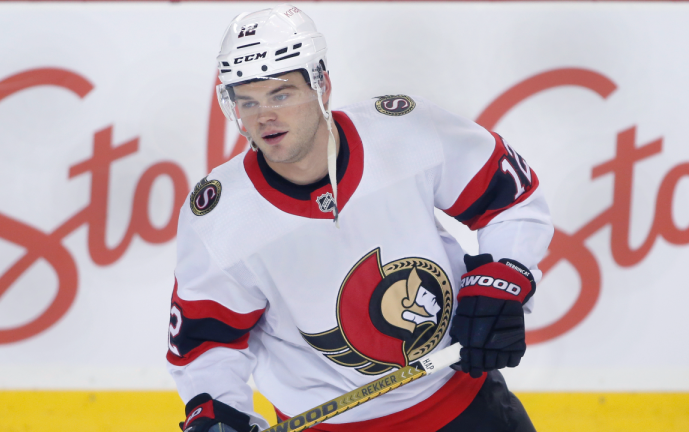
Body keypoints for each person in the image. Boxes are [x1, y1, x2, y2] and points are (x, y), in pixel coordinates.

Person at [166, 4, 553, 432]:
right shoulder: (221, 216)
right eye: (248, 101)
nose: (264, 116)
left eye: (281, 94)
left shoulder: (405, 132)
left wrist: (503, 276)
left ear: (322, 84)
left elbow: (514, 201)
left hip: (463, 406)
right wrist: (219, 412)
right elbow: (206, 341)